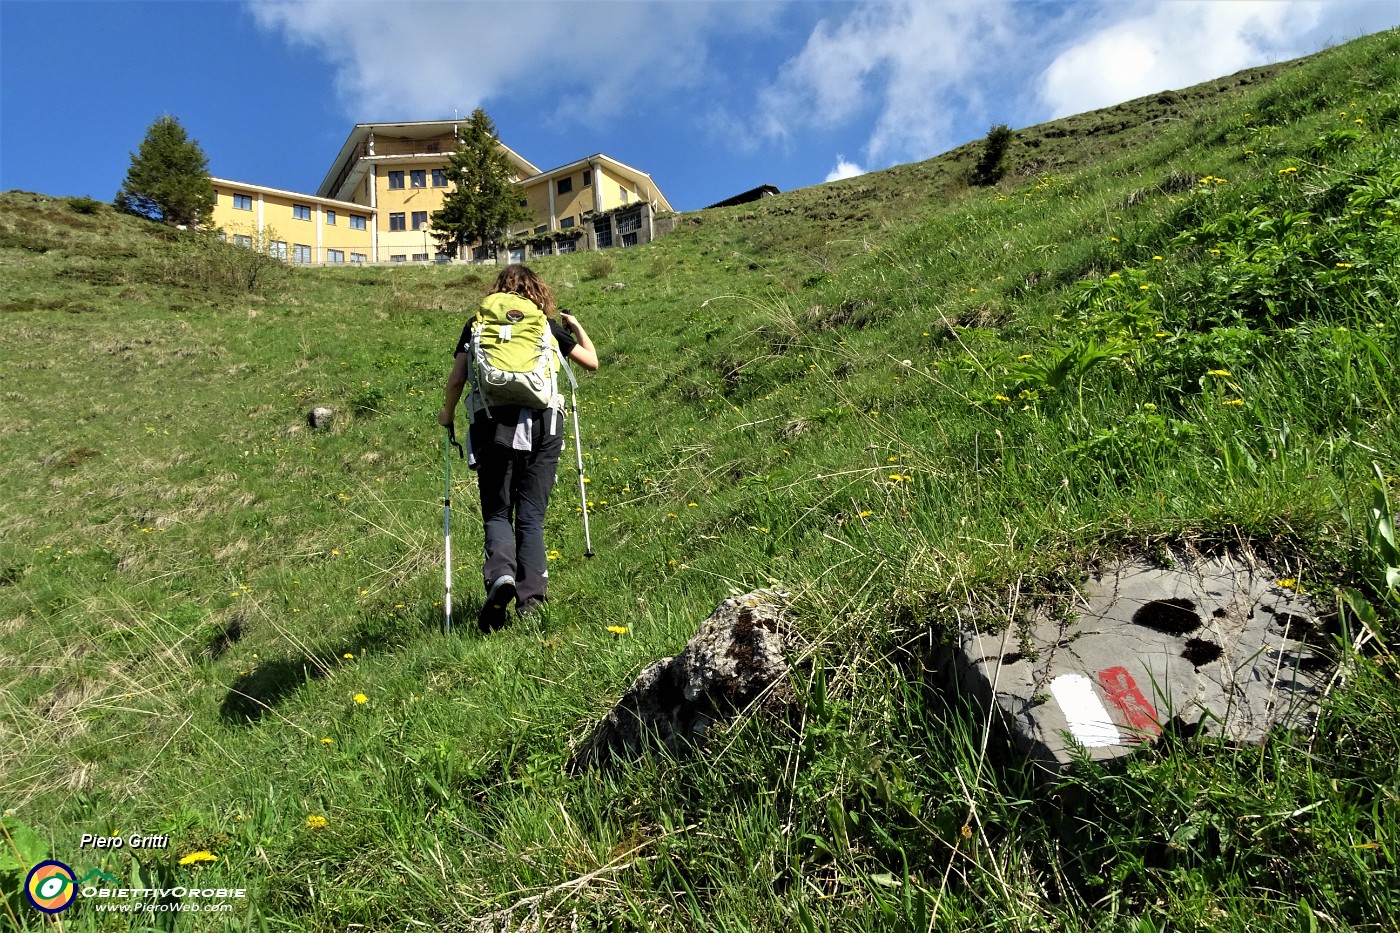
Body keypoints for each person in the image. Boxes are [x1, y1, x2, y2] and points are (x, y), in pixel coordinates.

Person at [438, 265, 598, 631]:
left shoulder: (478, 323)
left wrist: (447, 416)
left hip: (491, 422)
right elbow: (592, 362)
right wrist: (574, 327)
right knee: (530, 517)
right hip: (544, 425)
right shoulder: (542, 324)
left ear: (498, 290)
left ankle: (500, 578)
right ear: (536, 290)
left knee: (497, 512)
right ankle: (532, 603)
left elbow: (457, 379)